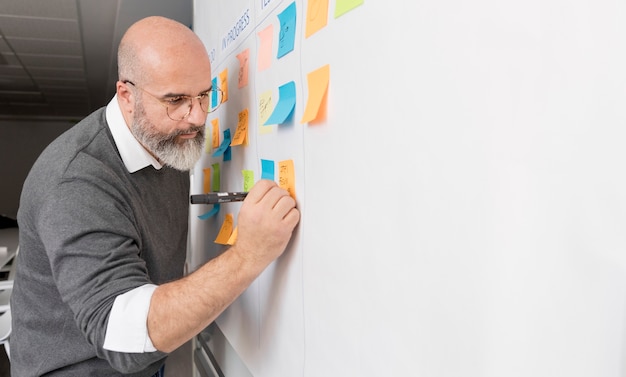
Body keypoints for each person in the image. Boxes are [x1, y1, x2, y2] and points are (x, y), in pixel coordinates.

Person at [10, 16, 300, 376]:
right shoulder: (76, 183)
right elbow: (124, 337)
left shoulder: (162, 139)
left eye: (204, 95)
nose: (196, 117)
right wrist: (249, 254)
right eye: (176, 99)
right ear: (127, 96)